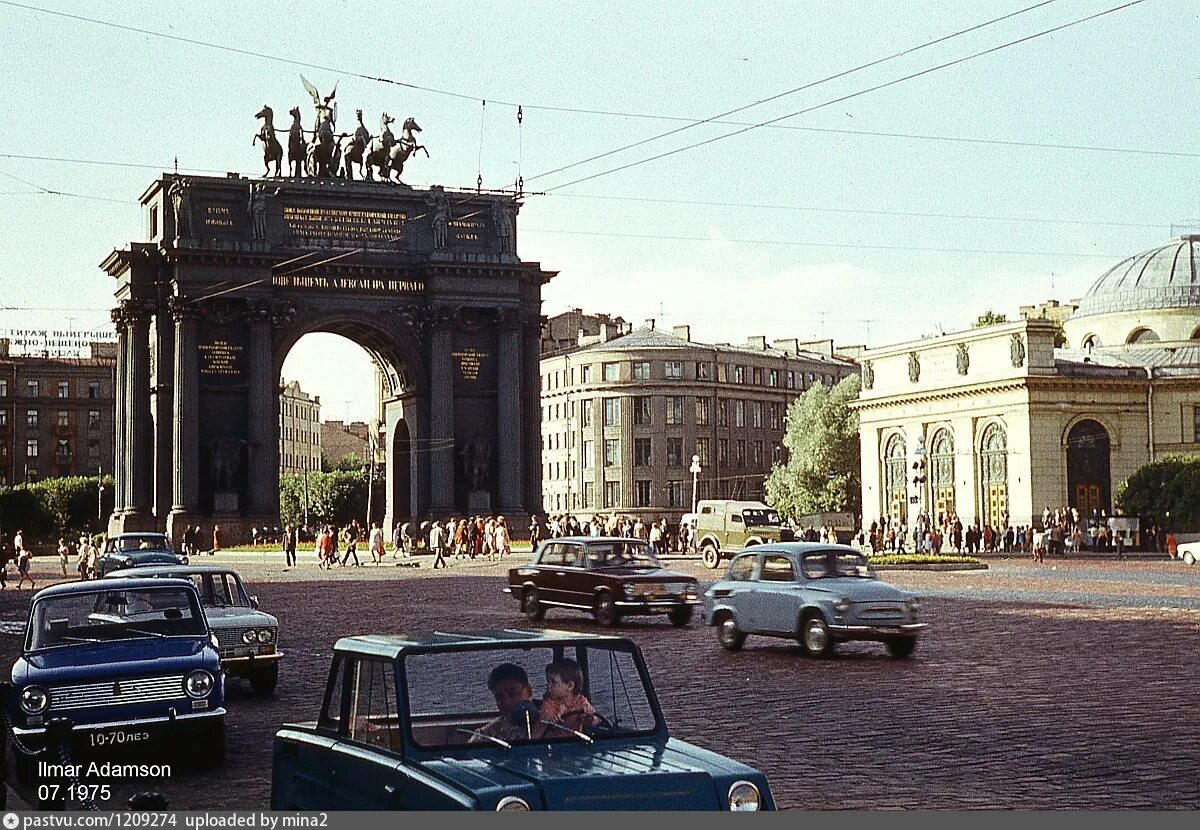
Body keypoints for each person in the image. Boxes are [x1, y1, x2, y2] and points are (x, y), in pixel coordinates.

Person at [472, 663, 549, 743]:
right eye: (499, 697)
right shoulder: (490, 733)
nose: (507, 703)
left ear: (528, 691)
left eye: (512, 693)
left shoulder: (552, 718)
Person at [539, 658, 598, 734]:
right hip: (550, 743)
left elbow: (595, 720)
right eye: (548, 681)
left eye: (553, 682)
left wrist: (589, 717)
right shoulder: (549, 702)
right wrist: (552, 718)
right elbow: (545, 715)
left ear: (570, 686)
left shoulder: (581, 702)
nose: (548, 686)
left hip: (575, 743)